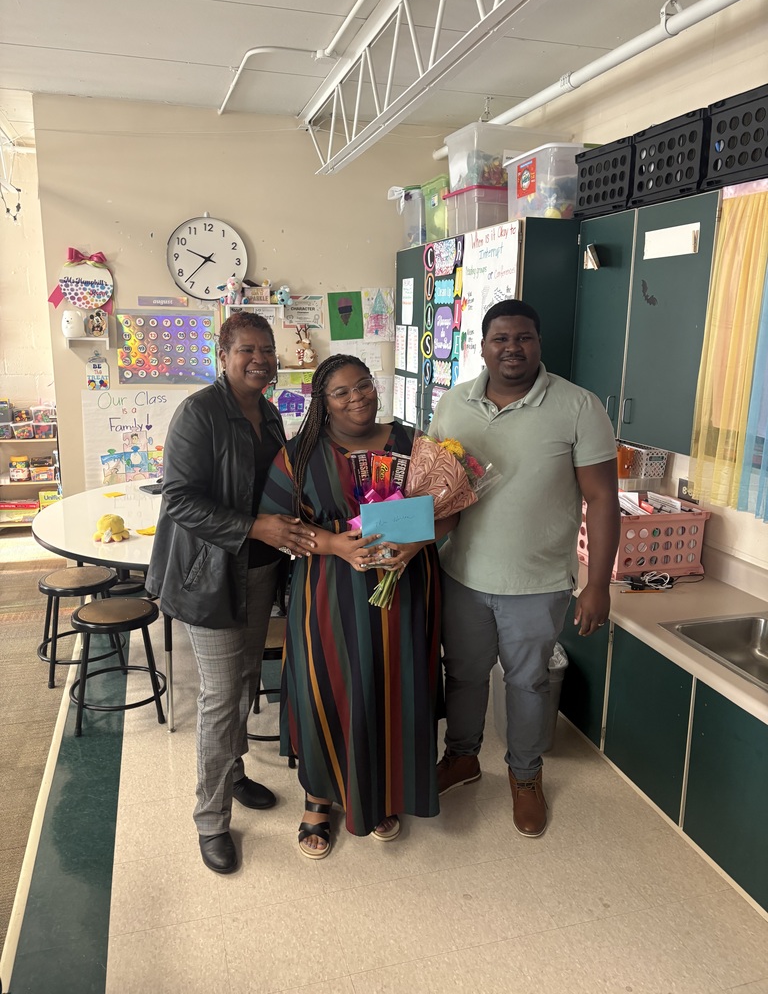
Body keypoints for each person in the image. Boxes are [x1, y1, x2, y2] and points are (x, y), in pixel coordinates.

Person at [429, 299, 619, 838]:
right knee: (462, 675)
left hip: (538, 583)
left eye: (524, 337)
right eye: (501, 338)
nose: (512, 348)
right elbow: (432, 483)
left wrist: (598, 584)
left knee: (529, 683)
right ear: (482, 346)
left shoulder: (579, 407)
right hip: (461, 575)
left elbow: (602, 499)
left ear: (538, 343)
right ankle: (462, 757)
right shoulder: (454, 403)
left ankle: (526, 775)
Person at [259, 354, 454, 858]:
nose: (357, 397)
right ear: (323, 403)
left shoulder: (411, 443)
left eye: (363, 385)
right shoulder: (299, 455)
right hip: (329, 592)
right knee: (327, 689)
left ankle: (380, 792)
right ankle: (318, 800)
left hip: (404, 590)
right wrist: (335, 545)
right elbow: (277, 528)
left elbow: (451, 509)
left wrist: (415, 542)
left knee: (391, 690)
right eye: (341, 392)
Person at [145, 311, 317, 874]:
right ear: (223, 356)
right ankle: (211, 820)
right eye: (247, 350)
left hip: (261, 570)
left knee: (244, 681)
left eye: (266, 350)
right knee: (221, 696)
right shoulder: (199, 413)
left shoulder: (270, 413)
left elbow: (276, 484)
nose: (259, 359)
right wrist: (255, 526)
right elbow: (179, 499)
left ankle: (234, 772)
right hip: (210, 575)